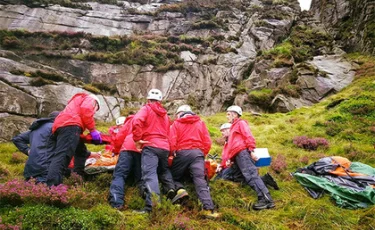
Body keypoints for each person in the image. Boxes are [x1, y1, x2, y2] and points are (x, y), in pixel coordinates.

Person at [169, 105, 220, 219]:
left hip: (182, 153)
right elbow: (207, 141)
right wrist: (202, 154)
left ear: (180, 113)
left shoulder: (176, 124)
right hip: (197, 154)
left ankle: (181, 190)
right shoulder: (200, 123)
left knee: (173, 177)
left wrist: (173, 152)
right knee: (200, 179)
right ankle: (208, 209)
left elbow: (171, 140)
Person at [131, 89, 175, 213]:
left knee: (150, 175)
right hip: (164, 147)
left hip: (151, 146)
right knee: (162, 170)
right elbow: (169, 133)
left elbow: (136, 122)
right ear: (160, 101)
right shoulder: (165, 115)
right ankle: (170, 191)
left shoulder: (146, 109)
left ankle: (152, 207)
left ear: (148, 99)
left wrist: (138, 139)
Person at [223, 105, 275, 210]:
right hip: (237, 155)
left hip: (243, 153)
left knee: (251, 175)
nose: (226, 116)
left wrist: (251, 150)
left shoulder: (241, 123)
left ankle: (266, 200)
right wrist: (230, 159)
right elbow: (233, 146)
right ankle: (265, 181)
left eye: (228, 114)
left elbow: (249, 136)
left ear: (234, 114)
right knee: (238, 176)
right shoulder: (233, 127)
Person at [46, 92, 102, 186]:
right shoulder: (91, 99)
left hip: (62, 125)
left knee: (80, 151)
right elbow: (86, 109)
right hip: (71, 125)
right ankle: (53, 188)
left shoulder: (75, 103)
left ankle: (76, 179)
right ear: (96, 104)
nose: (95, 112)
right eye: (96, 109)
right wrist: (92, 130)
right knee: (63, 157)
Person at [216, 123, 279, 190]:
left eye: (223, 130)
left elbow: (241, 152)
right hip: (232, 165)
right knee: (218, 178)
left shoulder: (235, 141)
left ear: (229, 130)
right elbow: (225, 157)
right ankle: (265, 179)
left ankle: (263, 180)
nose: (221, 133)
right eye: (221, 131)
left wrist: (232, 161)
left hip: (240, 164)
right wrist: (221, 165)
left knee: (226, 177)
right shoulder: (227, 142)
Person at [12, 111, 60, 183]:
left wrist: (27, 150)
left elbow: (17, 139)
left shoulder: (35, 130)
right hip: (46, 167)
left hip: (30, 168)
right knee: (47, 191)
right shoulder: (54, 128)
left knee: (29, 191)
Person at [108, 114, 144, 210]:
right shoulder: (146, 121)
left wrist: (116, 150)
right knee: (140, 178)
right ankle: (146, 202)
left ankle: (116, 203)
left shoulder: (130, 121)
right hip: (141, 150)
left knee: (119, 176)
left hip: (127, 149)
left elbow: (119, 137)